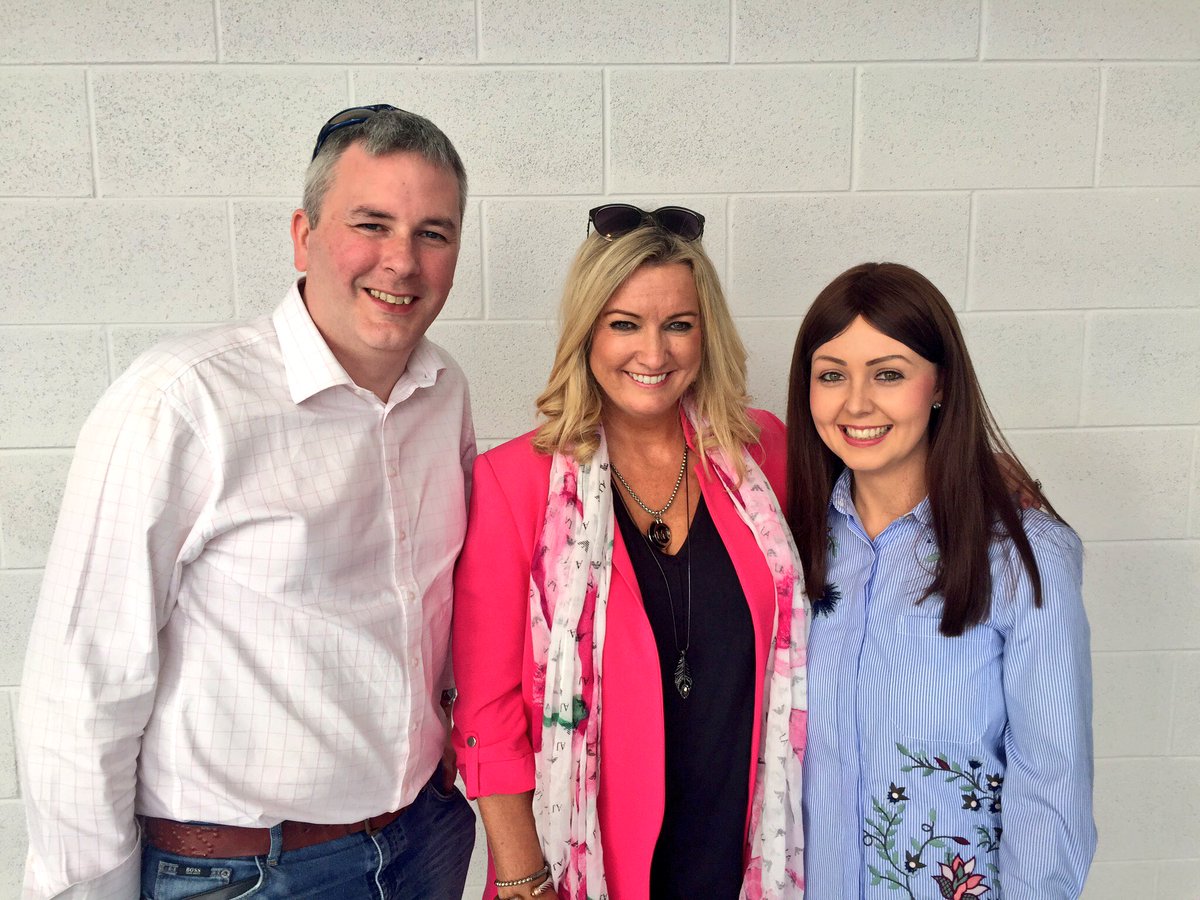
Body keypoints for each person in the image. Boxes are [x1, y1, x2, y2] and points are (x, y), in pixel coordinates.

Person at [18, 105, 477, 899]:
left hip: (422, 843)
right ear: (304, 236)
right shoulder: (183, 401)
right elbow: (83, 683)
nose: (402, 261)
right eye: (371, 224)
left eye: (432, 233)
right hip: (245, 873)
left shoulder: (444, 392)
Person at [451, 205, 807, 900]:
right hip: (589, 869)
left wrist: (989, 478)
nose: (653, 354)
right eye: (624, 324)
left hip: (748, 854)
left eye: (678, 325)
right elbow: (487, 715)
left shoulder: (762, 454)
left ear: (706, 334)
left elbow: (874, 506)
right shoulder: (514, 484)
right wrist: (524, 879)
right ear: (588, 332)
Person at [786, 262, 1096, 899]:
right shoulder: (782, 544)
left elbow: (1051, 783)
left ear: (940, 385)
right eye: (831, 375)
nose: (856, 403)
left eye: (889, 374)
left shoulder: (1023, 555)